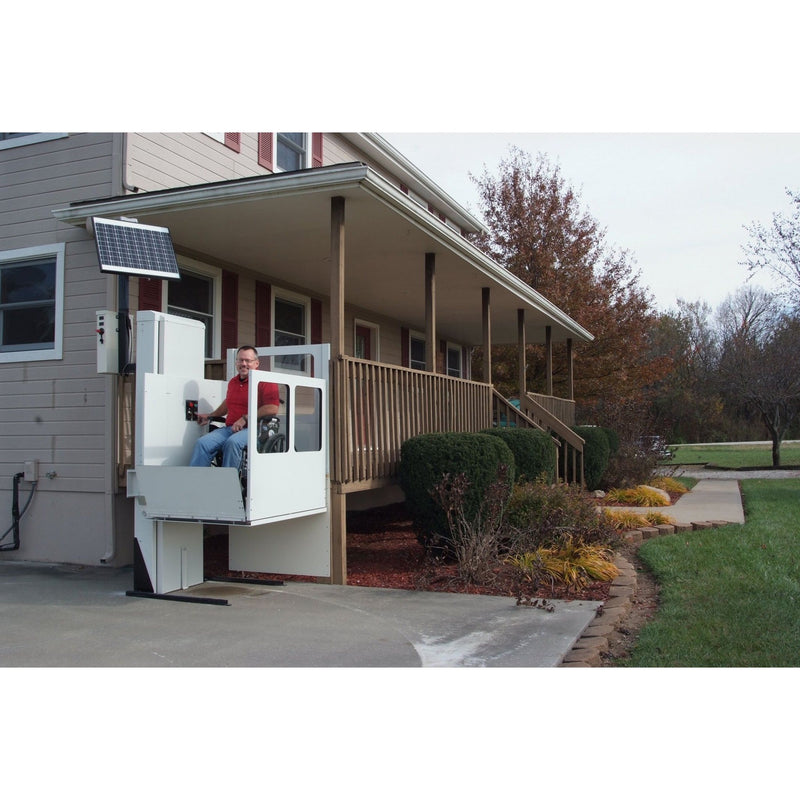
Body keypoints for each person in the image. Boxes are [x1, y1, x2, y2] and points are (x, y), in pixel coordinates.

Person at [190, 345, 280, 468]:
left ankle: (228, 479)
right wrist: (210, 416)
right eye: (240, 360)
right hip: (231, 429)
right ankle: (197, 479)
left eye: (248, 360)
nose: (243, 364)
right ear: (236, 362)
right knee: (203, 443)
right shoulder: (233, 382)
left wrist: (245, 418)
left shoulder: (265, 381)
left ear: (256, 363)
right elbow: (228, 403)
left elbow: (272, 408)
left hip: (256, 430)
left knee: (232, 443)